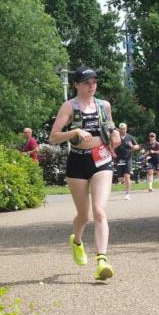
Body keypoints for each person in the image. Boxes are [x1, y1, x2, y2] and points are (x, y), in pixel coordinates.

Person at [48, 68, 118, 281]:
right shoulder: (69, 106)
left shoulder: (104, 105)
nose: (91, 85)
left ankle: (102, 261)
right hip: (78, 162)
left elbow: (111, 127)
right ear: (76, 84)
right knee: (84, 215)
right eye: (87, 82)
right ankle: (76, 241)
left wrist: (115, 135)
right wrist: (75, 132)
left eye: (94, 81)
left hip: (102, 159)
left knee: (99, 210)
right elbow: (53, 137)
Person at [112, 122, 140, 200]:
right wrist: (113, 153)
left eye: (124, 129)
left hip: (128, 158)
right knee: (120, 179)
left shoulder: (130, 137)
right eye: (121, 129)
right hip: (118, 159)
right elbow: (111, 146)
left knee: (127, 176)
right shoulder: (116, 137)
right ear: (119, 129)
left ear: (126, 129)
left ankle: (128, 193)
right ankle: (128, 182)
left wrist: (133, 146)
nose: (122, 130)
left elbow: (138, 146)